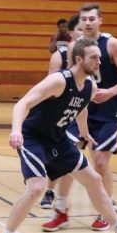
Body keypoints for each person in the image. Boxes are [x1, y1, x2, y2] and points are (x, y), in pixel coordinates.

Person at [0, 38, 117, 233]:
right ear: (79, 59)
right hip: (34, 139)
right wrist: (16, 131)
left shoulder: (90, 85)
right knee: (37, 187)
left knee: (94, 180)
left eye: (100, 57)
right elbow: (22, 104)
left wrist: (85, 133)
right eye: (94, 58)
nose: (99, 61)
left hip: (58, 141)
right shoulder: (58, 80)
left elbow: (81, 107)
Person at [42, 3, 117, 233]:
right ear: (79, 23)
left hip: (108, 112)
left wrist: (110, 91)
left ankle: (105, 212)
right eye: (84, 19)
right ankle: (61, 211)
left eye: (92, 18)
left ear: (100, 20)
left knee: (100, 162)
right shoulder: (74, 48)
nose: (88, 23)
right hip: (80, 110)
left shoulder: (112, 44)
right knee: (67, 160)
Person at [41, 15, 82, 209]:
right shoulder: (60, 55)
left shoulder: (96, 52)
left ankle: (105, 197)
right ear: (73, 33)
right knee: (65, 153)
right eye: (80, 29)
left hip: (87, 108)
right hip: (67, 110)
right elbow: (49, 87)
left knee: (97, 160)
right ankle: (51, 192)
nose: (85, 32)